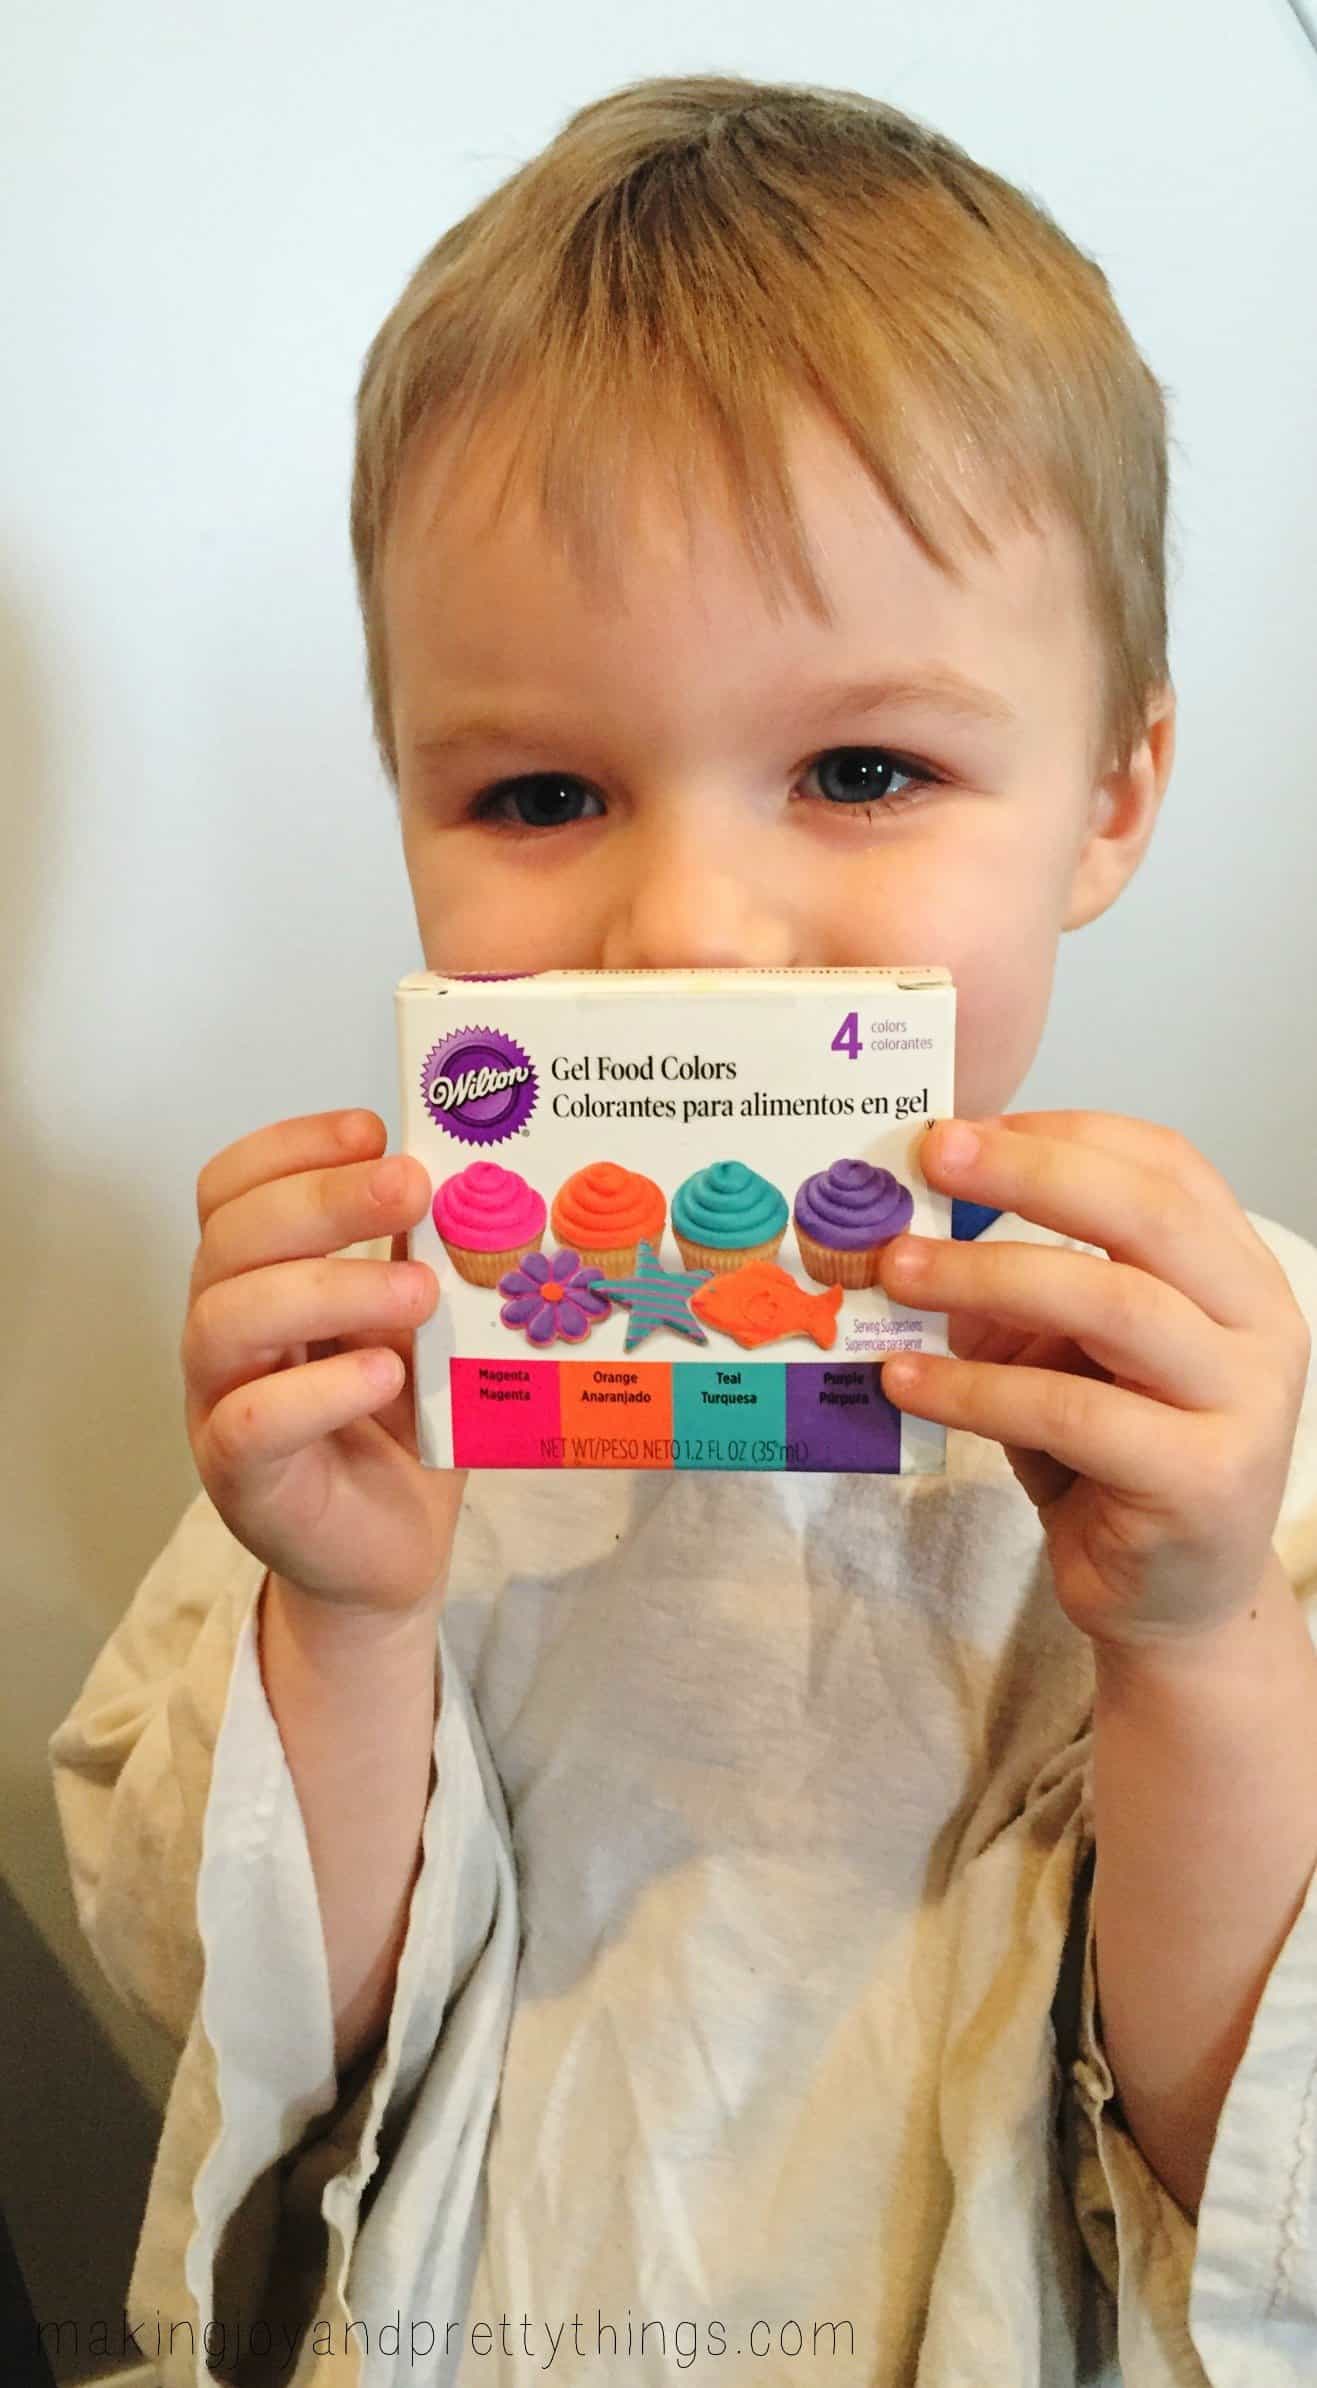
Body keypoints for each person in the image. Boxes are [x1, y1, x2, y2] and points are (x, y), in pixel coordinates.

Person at [47, 72, 1317, 2388]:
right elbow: (269, 2039)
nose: (690, 929)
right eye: (539, 793)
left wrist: (1203, 1646)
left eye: (857, 770)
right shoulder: (394, 1360)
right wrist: (339, 1617)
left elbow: (1258, 2165)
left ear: (1110, 794)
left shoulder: (1223, 1389)